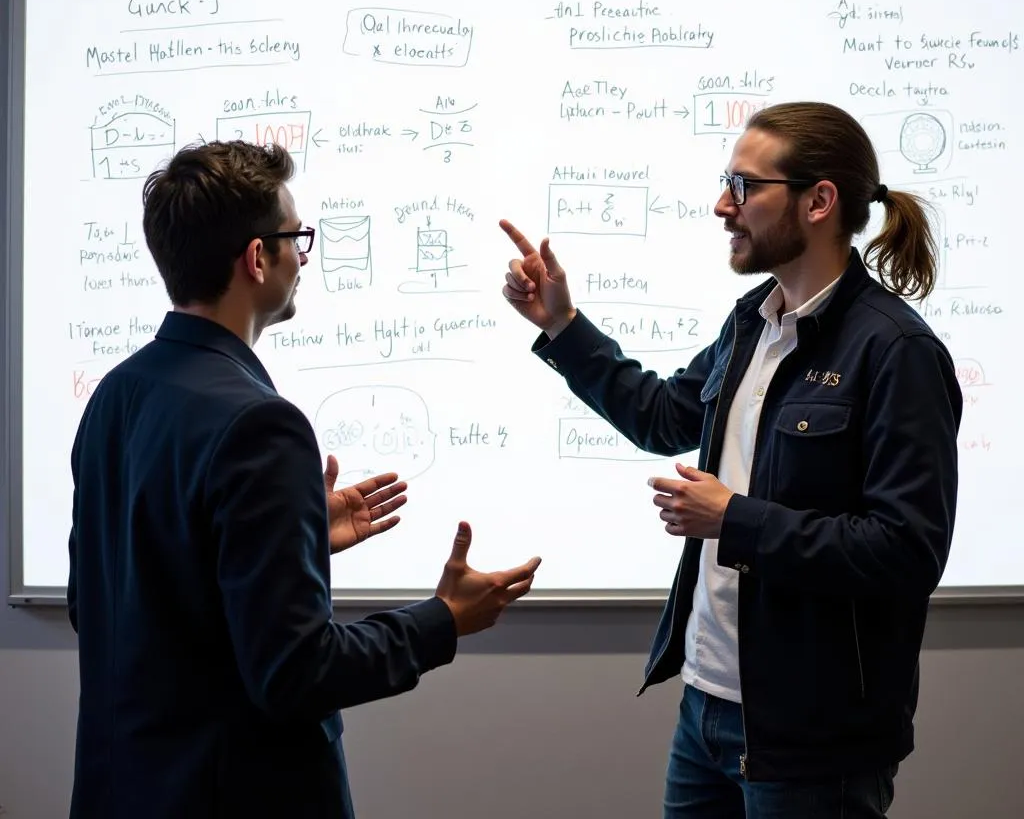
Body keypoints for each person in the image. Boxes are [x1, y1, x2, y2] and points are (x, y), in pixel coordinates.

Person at [499, 101, 960, 818]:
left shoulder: (896, 353)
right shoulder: (754, 320)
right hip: (707, 705)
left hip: (814, 738)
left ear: (819, 201)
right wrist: (562, 326)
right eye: (727, 182)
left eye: (744, 186)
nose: (722, 205)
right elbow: (662, 415)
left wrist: (735, 520)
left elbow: (905, 552)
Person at [68, 139, 541, 819]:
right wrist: (443, 620)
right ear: (258, 259)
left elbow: (109, 603)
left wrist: (291, 540)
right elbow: (294, 673)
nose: (304, 255)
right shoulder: (261, 424)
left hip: (126, 788)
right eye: (298, 237)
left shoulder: (116, 395)